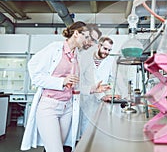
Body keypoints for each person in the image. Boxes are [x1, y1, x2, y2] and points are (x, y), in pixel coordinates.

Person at [20, 21, 109, 152]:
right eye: (86, 37)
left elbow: (75, 86)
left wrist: (93, 89)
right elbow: (35, 74)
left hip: (67, 108)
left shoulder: (76, 55)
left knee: (59, 147)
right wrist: (61, 81)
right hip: (49, 106)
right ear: (76, 33)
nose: (87, 41)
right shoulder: (54, 48)